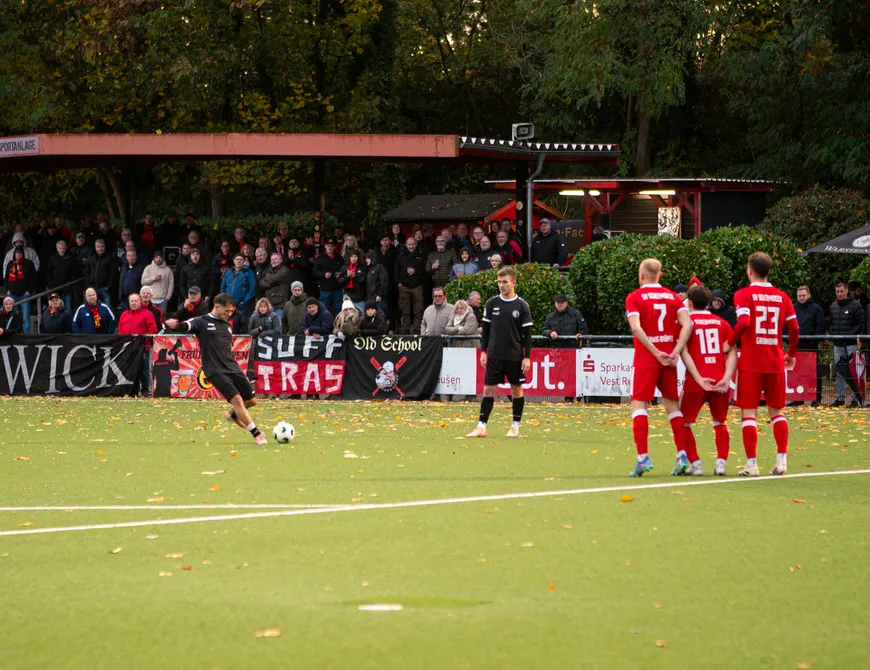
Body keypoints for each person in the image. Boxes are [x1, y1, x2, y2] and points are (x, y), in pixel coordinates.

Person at [725, 252, 800, 476]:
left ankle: (752, 465)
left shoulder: (743, 294)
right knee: (777, 412)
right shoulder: (782, 297)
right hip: (775, 361)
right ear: (769, 271)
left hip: (751, 363)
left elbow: (744, 322)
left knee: (749, 413)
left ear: (750, 271)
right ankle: (781, 461)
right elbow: (795, 328)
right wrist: (791, 353)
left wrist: (730, 343)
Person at [165, 294, 267, 445]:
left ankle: (234, 415)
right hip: (214, 369)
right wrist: (176, 324)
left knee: (251, 401)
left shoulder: (227, 325)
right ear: (217, 306)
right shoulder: (202, 321)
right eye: (227, 311)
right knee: (237, 399)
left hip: (232, 367)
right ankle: (257, 434)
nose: (229, 314)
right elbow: (186, 325)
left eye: (231, 311)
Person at [625, 258, 693, 478]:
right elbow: (688, 324)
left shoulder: (635, 297)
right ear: (660, 275)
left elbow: (637, 328)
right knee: (673, 406)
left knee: (638, 404)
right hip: (669, 360)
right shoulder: (673, 297)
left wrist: (655, 352)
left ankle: (643, 458)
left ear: (641, 275)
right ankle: (682, 456)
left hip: (647, 359)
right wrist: (675, 351)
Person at [466, 267, 533, 439]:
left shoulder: (522, 306)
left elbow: (527, 335)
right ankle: (481, 426)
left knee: (516, 389)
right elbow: (486, 331)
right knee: (488, 390)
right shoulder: (491, 303)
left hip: (514, 356)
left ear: (514, 283)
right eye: (499, 282)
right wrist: (483, 351)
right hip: (495, 355)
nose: (501, 285)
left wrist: (527, 357)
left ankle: (515, 426)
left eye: (505, 282)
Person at [679, 285, 738, 476]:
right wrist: (726, 378)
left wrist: (698, 378)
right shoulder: (722, 323)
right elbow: (732, 352)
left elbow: (684, 352)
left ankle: (696, 464)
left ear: (689, 303)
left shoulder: (687, 323)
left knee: (683, 422)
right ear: (709, 303)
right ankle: (721, 463)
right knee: (720, 422)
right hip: (719, 379)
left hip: (696, 381)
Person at [828, 280, 864, 407]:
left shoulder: (855, 306)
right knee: (839, 371)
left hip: (851, 344)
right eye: (837, 291)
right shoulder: (833, 306)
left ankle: (854, 398)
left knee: (853, 371)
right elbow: (831, 323)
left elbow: (860, 323)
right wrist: (833, 335)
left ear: (847, 290)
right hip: (838, 344)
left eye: (842, 291)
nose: (839, 294)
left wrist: (850, 335)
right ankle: (840, 398)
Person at [117, 293, 158, 396]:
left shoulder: (148, 314)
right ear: (129, 302)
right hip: (127, 348)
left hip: (142, 347)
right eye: (132, 301)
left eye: (136, 301)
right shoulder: (124, 314)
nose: (134, 303)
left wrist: (144, 341)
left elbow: (153, 330)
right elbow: (120, 331)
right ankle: (129, 390)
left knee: (144, 370)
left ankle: (145, 390)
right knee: (128, 369)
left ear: (140, 302)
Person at [793, 285, 825, 406]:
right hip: (796, 345)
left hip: (811, 345)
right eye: (799, 295)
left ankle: (816, 398)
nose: (801, 297)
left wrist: (814, 340)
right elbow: (787, 324)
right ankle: (798, 398)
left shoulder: (816, 308)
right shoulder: (793, 308)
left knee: (814, 372)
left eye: (803, 295)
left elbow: (820, 326)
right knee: (797, 372)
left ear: (809, 295)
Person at [395, 236, 426, 334]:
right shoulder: (401, 255)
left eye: (413, 244)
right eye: (409, 244)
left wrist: (415, 270)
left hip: (417, 286)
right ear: (406, 244)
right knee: (405, 311)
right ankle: (405, 329)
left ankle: (417, 329)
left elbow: (425, 269)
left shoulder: (421, 255)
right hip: (404, 287)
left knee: (418, 310)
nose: (411, 246)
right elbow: (396, 270)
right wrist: (398, 282)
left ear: (416, 244)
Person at [4, 247, 37, 333]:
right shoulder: (10, 264)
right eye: (17, 253)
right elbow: (6, 277)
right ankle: (13, 335)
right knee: (12, 316)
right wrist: (7, 290)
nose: (18, 255)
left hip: (24, 295)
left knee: (26, 317)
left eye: (20, 253)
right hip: (12, 294)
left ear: (23, 254)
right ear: (14, 254)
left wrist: (29, 290)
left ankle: (26, 336)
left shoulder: (28, 264)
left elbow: (34, 278)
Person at [220, 253, 257, 324]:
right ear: (234, 261)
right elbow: (223, 287)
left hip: (242, 306)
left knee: (242, 325)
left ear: (244, 261)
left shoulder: (249, 272)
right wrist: (224, 299)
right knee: (228, 324)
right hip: (228, 304)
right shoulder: (228, 272)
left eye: (241, 259)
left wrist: (244, 301)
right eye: (237, 259)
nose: (239, 261)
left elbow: (252, 289)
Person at [45, 240, 80, 311]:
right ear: (57, 248)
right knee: (56, 308)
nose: (61, 250)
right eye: (60, 248)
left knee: (68, 307)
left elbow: (75, 271)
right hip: (56, 288)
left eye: (63, 248)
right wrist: (51, 284)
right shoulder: (52, 258)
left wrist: (70, 282)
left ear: (66, 248)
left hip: (67, 287)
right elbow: (48, 272)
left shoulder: (71, 258)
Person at [312, 239, 344, 316]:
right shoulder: (320, 258)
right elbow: (314, 272)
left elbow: (343, 270)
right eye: (328, 246)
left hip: (337, 287)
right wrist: (324, 274)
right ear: (325, 246)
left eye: (332, 246)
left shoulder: (339, 257)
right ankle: (325, 323)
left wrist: (340, 274)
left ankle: (337, 322)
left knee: (337, 308)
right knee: (324, 309)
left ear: (334, 247)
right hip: (325, 288)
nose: (330, 247)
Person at [258, 253, 292, 321]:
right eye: (272, 260)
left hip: (280, 303)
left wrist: (267, 282)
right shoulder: (268, 270)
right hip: (269, 303)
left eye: (275, 259)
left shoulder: (285, 270)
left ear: (281, 260)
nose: (273, 261)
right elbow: (261, 283)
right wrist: (270, 284)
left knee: (278, 325)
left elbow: (276, 279)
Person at [88, 239, 118, 308]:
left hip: (104, 288)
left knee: (107, 307)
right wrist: (88, 285)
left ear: (104, 247)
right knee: (92, 308)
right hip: (93, 288)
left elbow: (113, 274)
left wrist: (108, 287)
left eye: (102, 246)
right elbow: (87, 272)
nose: (100, 249)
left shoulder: (109, 259)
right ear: (95, 247)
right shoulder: (92, 258)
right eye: (98, 247)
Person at [364, 251, 388, 316]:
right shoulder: (369, 268)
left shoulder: (379, 267)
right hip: (371, 298)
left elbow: (383, 281)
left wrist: (380, 295)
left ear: (372, 258)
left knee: (380, 316)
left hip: (378, 298)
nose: (366, 260)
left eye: (367, 258)